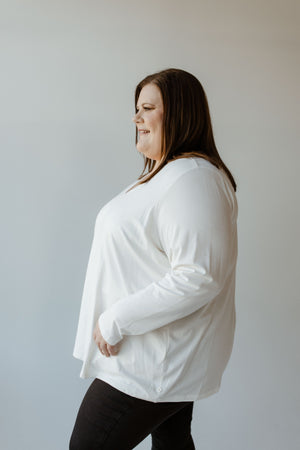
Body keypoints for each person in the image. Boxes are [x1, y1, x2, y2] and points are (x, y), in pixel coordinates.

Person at [69, 68, 238, 450]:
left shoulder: (193, 178)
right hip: (153, 355)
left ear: (179, 114)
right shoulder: (166, 176)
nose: (136, 118)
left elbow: (200, 275)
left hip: (151, 362)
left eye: (147, 108)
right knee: (172, 442)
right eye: (136, 108)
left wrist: (115, 319)